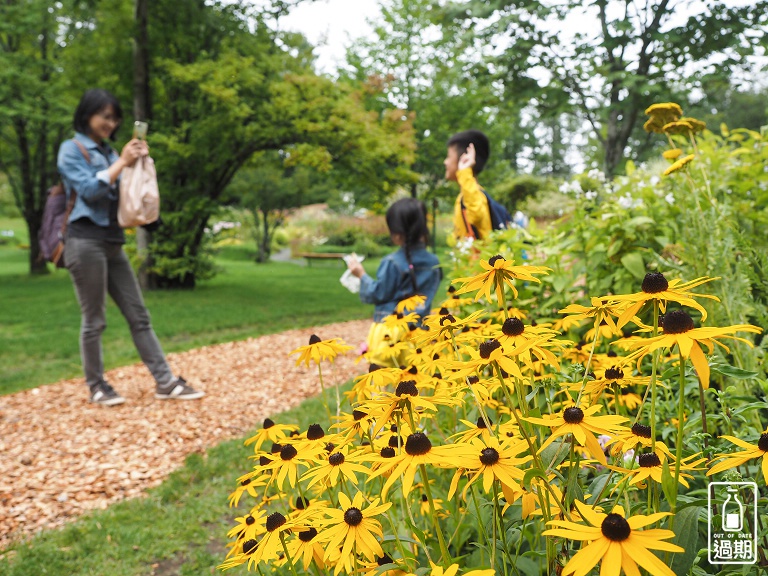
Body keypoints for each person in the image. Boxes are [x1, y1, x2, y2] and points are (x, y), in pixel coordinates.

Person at [58, 88, 204, 406]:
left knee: (139, 316)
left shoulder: (112, 152)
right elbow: (87, 190)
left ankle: (165, 382)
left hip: (112, 241)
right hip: (84, 241)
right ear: (87, 115)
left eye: (115, 118)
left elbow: (127, 196)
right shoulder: (72, 149)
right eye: (104, 116)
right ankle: (97, 386)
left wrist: (138, 164)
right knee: (94, 319)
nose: (111, 123)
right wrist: (122, 162)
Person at [347, 198, 441, 366]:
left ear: (397, 233)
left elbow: (378, 293)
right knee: (415, 384)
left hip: (390, 334)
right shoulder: (434, 263)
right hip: (420, 334)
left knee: (387, 385)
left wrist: (361, 275)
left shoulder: (392, 262)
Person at [444, 129, 491, 243]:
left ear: (464, 159)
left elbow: (476, 215)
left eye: (449, 156)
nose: (445, 162)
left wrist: (465, 171)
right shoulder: (464, 196)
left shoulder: (475, 196)